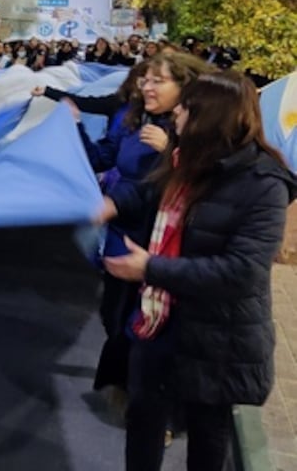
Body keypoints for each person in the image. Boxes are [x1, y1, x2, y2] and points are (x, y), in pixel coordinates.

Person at [102, 71, 296, 471]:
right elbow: (146, 192)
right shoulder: (184, 159)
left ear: (210, 116)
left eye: (186, 107)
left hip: (218, 338)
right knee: (143, 422)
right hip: (159, 323)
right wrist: (109, 204)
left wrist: (150, 267)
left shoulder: (263, 184)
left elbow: (241, 272)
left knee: (207, 439)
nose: (177, 113)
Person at [70, 52, 210, 398]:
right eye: (145, 79)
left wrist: (173, 154)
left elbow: (158, 185)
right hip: (123, 234)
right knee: (114, 315)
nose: (146, 86)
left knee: (149, 323)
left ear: (185, 87)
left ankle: (151, 404)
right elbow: (105, 158)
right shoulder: (132, 119)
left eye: (157, 80)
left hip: (159, 241)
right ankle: (129, 390)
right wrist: (73, 128)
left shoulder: (197, 131)